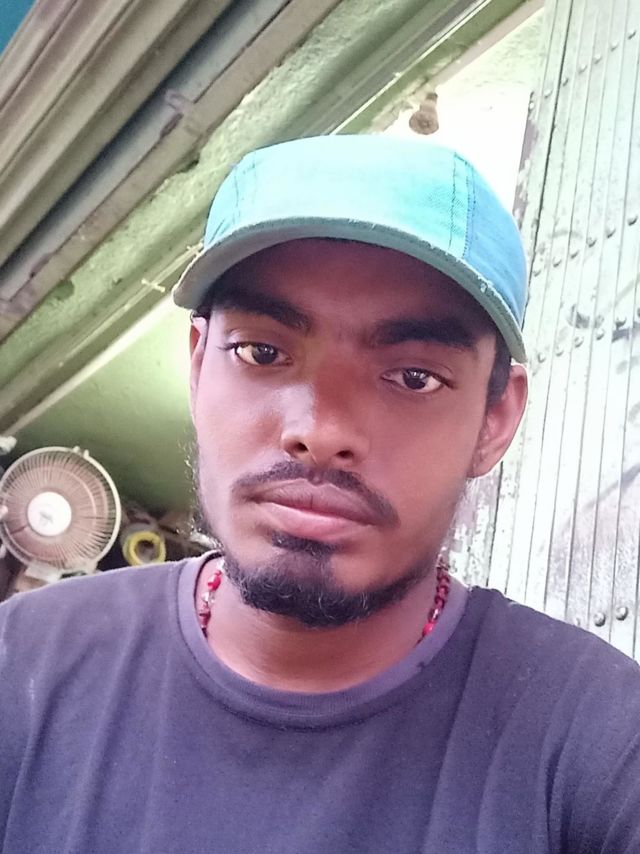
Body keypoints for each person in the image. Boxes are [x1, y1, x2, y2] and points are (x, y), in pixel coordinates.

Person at [1, 135, 639, 854]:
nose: (319, 431)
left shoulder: (599, 741)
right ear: (199, 366)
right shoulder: (23, 665)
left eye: (414, 377)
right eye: (262, 352)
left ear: (495, 420)